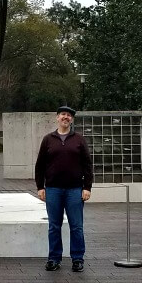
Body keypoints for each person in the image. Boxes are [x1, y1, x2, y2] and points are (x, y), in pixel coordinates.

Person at [35, 105, 93, 273]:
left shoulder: (79, 139)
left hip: (74, 190)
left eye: (68, 115)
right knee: (54, 226)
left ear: (72, 119)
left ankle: (77, 259)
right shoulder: (48, 139)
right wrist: (40, 187)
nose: (65, 117)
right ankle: (54, 258)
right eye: (63, 114)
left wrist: (87, 187)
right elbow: (40, 165)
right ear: (57, 117)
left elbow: (87, 165)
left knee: (77, 226)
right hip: (53, 189)